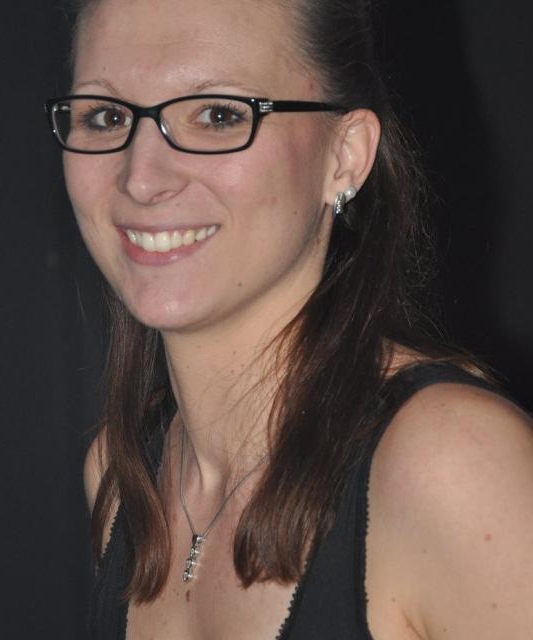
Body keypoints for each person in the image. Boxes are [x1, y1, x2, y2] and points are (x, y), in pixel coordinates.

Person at [45, 0, 533, 637]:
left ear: (345, 155)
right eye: (106, 116)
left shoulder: (451, 466)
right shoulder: (121, 476)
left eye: (218, 115)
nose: (141, 178)